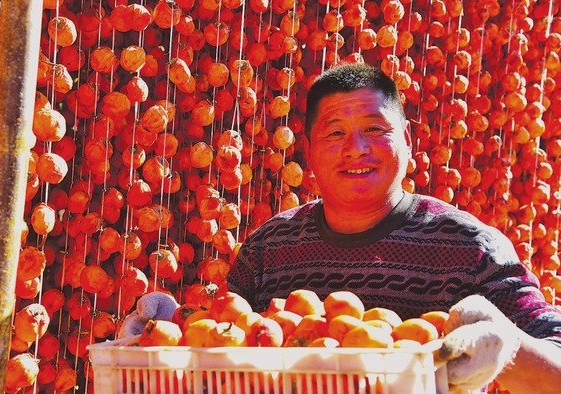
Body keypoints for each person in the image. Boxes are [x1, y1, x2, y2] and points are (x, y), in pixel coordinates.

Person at [226, 62, 561, 393]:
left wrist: (509, 348)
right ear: (310, 150)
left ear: (407, 139)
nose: (356, 149)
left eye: (374, 129)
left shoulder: (469, 249)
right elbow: (217, 347)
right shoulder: (267, 250)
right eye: (335, 132)